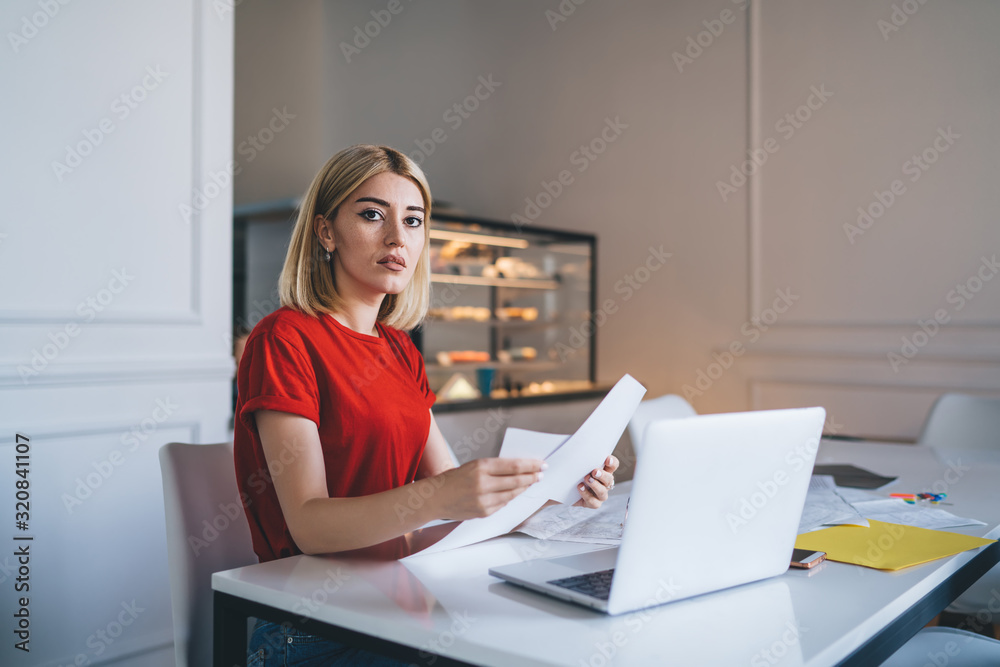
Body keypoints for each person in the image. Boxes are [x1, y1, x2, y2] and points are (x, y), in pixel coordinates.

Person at [234, 144, 618, 666]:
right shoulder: (284, 338)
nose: (397, 238)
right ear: (325, 232)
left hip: (399, 598)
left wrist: (557, 493)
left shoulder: (398, 349)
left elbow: (458, 504)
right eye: (373, 215)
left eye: (413, 221)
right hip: (311, 626)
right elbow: (310, 526)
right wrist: (439, 496)